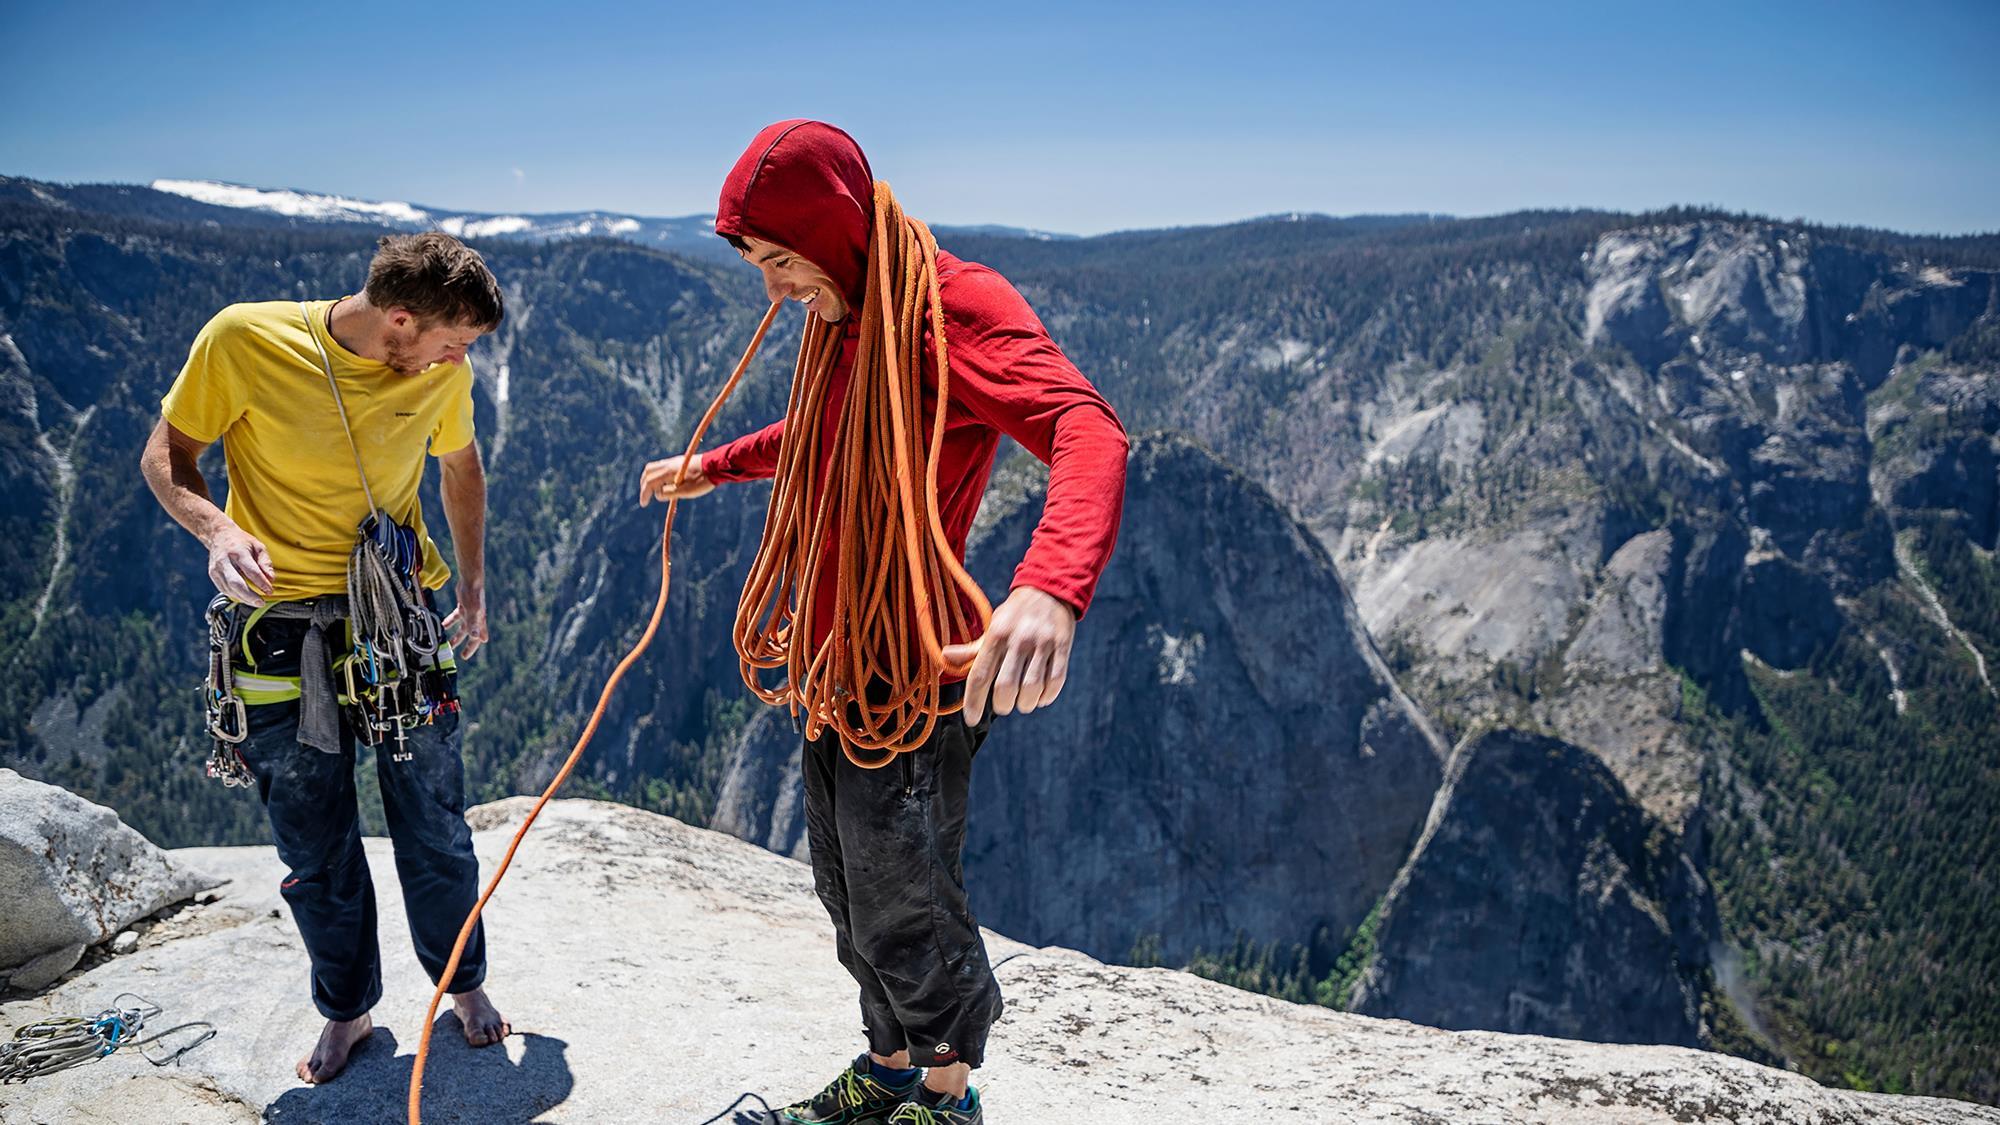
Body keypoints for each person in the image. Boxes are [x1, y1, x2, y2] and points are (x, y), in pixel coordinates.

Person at [639, 121, 1129, 1125]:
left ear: (833, 228)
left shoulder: (952, 305)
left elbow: (1085, 428)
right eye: (758, 265)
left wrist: (1049, 585)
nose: (774, 289)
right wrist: (720, 464)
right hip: (838, 662)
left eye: (782, 259)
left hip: (916, 673)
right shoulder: (845, 309)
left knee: (903, 894)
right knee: (845, 890)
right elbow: (826, 428)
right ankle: (890, 1068)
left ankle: (946, 1097)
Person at [140, 232, 510, 1084]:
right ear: (400, 320)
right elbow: (168, 455)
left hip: (398, 618)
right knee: (315, 840)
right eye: (453, 343)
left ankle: (463, 986)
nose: (462, 362)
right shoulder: (244, 340)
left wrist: (476, 586)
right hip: (280, 627)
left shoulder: (441, 371)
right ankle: (348, 1010)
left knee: (435, 822)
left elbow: (461, 467)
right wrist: (219, 529)